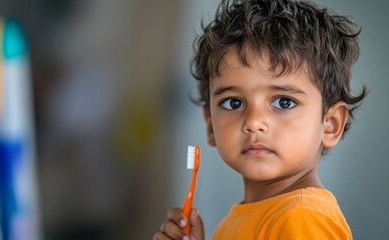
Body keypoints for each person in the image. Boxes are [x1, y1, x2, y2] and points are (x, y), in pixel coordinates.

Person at [154, 0, 367, 239]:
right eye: (234, 103)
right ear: (211, 125)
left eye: (283, 102)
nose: (254, 121)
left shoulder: (302, 218)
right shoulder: (255, 216)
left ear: (330, 124)